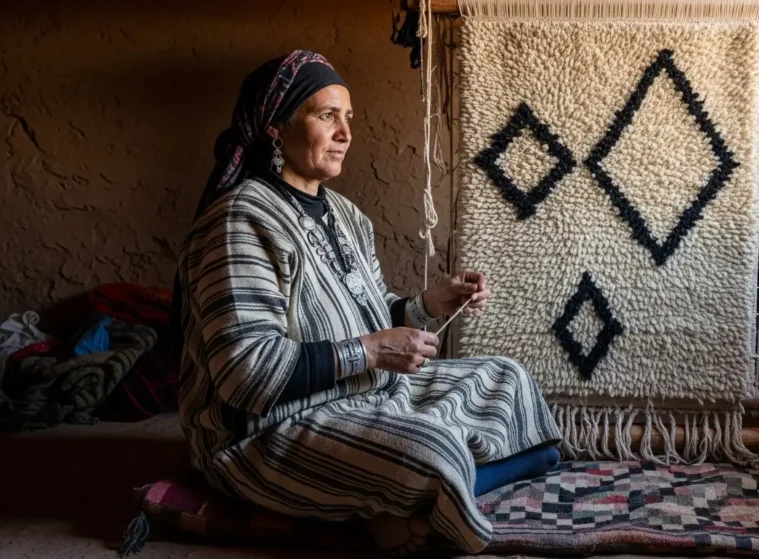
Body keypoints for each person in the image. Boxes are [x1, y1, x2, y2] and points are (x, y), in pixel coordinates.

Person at [173, 50, 562, 555]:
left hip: (367, 395)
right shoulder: (241, 220)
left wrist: (428, 304)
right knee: (433, 448)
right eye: (326, 115)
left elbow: (370, 312)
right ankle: (416, 492)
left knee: (508, 380)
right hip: (267, 430)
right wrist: (371, 353)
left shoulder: (347, 215)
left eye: (348, 117)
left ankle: (401, 501)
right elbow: (246, 374)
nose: (345, 133)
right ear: (275, 128)